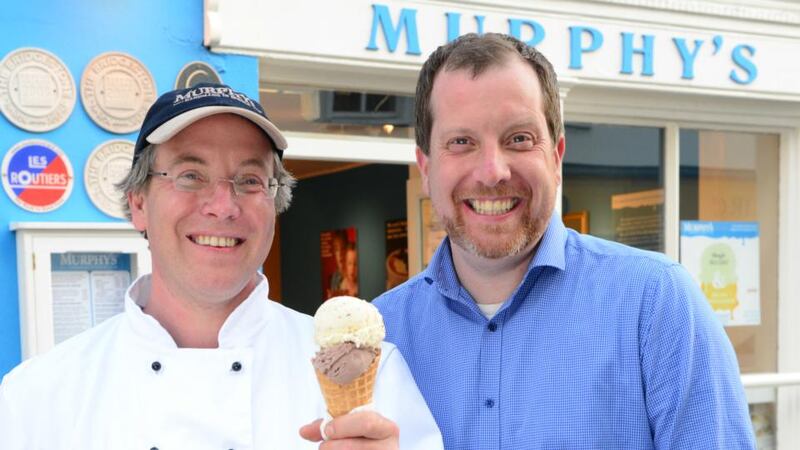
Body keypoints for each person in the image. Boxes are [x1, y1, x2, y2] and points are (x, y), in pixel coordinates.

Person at [0, 83, 443, 450]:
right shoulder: (37, 398)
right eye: (190, 175)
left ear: (275, 206)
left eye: (250, 180)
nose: (222, 206)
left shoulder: (376, 374)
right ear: (138, 204)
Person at [373, 33, 755, 450]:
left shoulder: (656, 303)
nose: (492, 171)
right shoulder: (383, 334)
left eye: (518, 138)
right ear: (425, 167)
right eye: (461, 142)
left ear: (555, 156)